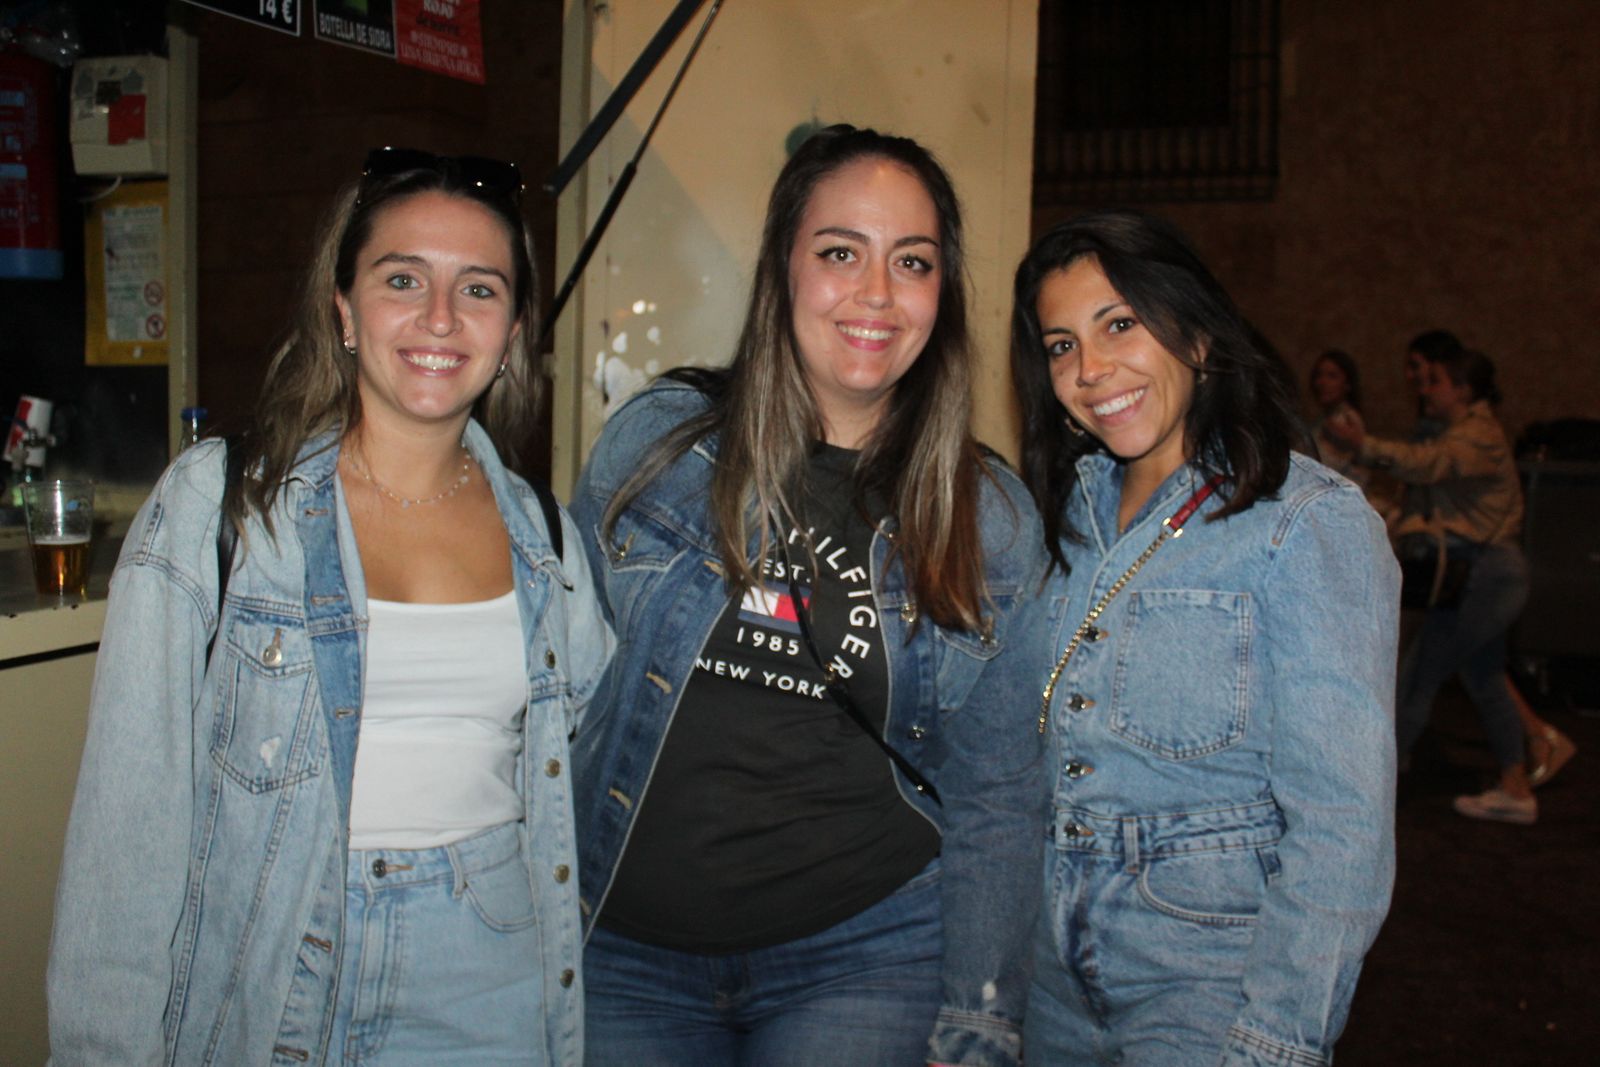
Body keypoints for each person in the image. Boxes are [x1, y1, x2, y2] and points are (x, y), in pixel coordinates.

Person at [47, 148, 613, 1064]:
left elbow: (587, 794)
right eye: (402, 279)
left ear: (512, 330)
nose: (439, 317)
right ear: (344, 309)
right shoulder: (223, 506)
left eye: (479, 289)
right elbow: (127, 831)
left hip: (488, 964)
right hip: (272, 963)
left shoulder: (550, 542)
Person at [570, 124, 1048, 1067]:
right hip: (625, 948)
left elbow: (998, 787)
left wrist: (982, 1015)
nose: (876, 293)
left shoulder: (984, 513)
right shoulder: (661, 445)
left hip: (864, 951)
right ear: (782, 269)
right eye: (841, 253)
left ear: (941, 293)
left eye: (911, 262)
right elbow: (557, 686)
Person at [1011, 209, 1399, 1065]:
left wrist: (1278, 1040)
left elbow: (1344, 821)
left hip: (1210, 980)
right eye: (1060, 344)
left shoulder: (1303, 522)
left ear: (1194, 330)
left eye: (1119, 323)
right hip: (1044, 978)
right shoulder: (1053, 520)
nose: (1091, 368)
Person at [1327, 347, 1564, 821]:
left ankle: (1370, 792)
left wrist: (1362, 445)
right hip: (1478, 573)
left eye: (1435, 381)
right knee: (1482, 676)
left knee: (1418, 676)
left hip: (1487, 574)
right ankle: (1516, 786)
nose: (1423, 388)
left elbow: (1427, 465)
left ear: (1464, 390)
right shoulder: (1458, 431)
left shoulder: (1477, 435)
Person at [1307, 348, 1368, 487]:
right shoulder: (1322, 420)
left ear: (1347, 384)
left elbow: (1324, 466)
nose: (1322, 382)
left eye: (1332, 376)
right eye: (1319, 375)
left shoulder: (1348, 420)